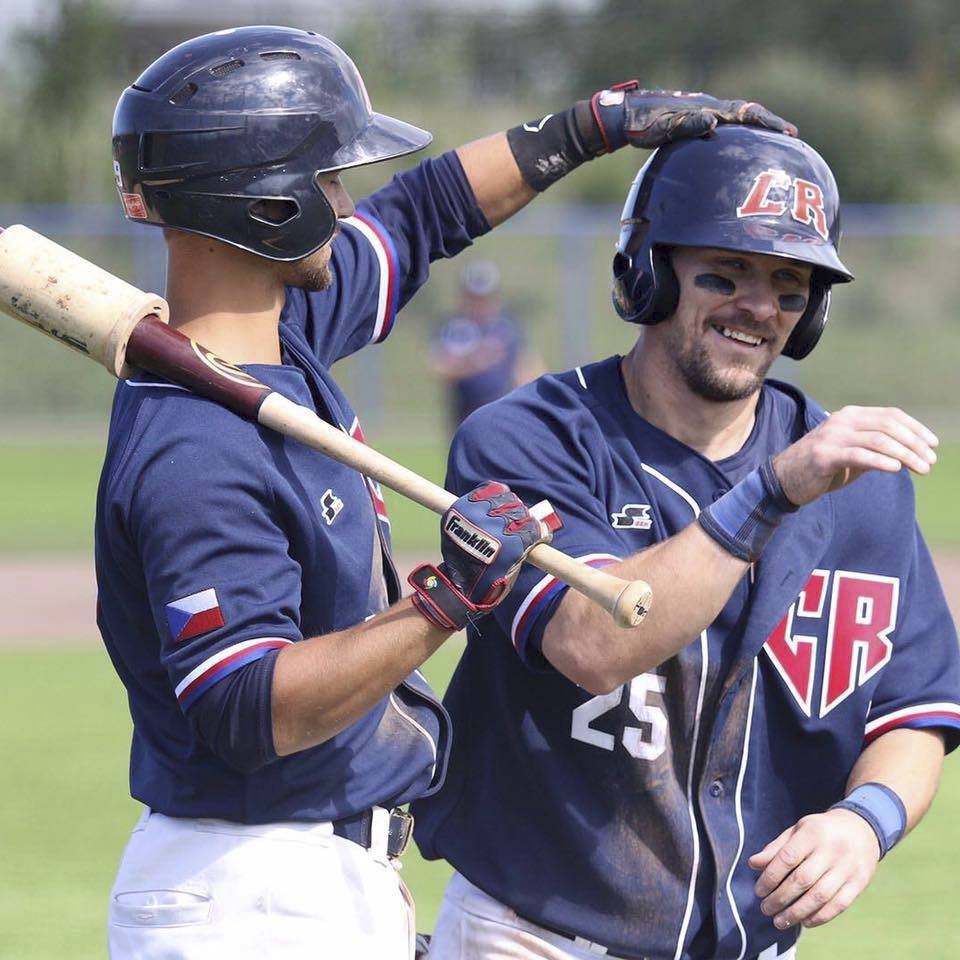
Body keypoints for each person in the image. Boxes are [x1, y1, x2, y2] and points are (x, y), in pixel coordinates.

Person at [99, 23, 795, 960]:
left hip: (313, 881)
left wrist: (588, 129)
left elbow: (425, 213)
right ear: (269, 206)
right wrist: (445, 603)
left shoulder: (281, 332)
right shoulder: (197, 449)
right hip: (251, 894)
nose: (346, 205)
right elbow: (249, 710)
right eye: (327, 182)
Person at [413, 125, 960, 960]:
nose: (759, 306)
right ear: (648, 271)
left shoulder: (861, 484)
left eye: (789, 283)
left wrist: (865, 821)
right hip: (536, 937)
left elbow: (915, 711)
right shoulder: (529, 441)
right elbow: (591, 643)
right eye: (725, 272)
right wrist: (774, 493)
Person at [431, 260, 542, 426]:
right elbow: (439, 367)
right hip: (465, 411)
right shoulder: (454, 327)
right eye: (474, 297)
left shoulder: (507, 325)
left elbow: (527, 365)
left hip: (503, 408)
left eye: (484, 298)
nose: (479, 304)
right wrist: (474, 362)